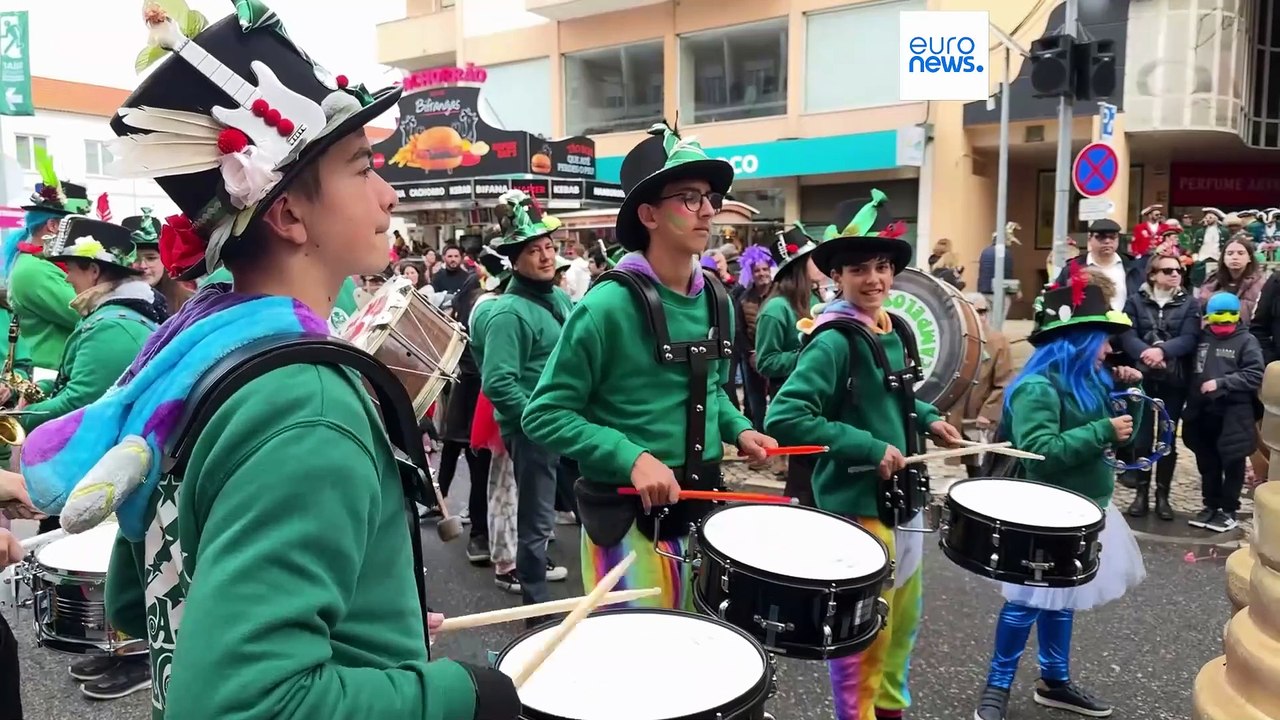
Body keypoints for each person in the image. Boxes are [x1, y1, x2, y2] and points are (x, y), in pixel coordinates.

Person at [20, 6, 518, 719]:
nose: (388, 194)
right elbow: (243, 704)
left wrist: (369, 621)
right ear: (287, 215)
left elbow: (140, 598)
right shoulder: (307, 404)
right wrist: (459, 695)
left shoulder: (198, 361)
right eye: (362, 168)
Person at [522, 122, 774, 612]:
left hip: (702, 511)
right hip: (625, 525)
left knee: (702, 653)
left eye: (709, 198)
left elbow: (711, 388)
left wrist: (740, 429)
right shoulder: (606, 307)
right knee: (639, 659)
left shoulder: (718, 299)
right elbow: (544, 414)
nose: (708, 210)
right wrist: (632, 457)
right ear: (648, 214)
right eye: (689, 198)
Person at [764, 191, 963, 720]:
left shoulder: (893, 328)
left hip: (903, 500)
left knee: (902, 626)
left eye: (881, 267)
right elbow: (785, 417)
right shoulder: (832, 340)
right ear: (836, 276)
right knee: (862, 638)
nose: (873, 279)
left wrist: (927, 418)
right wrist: (868, 447)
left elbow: (893, 398)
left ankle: (891, 712)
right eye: (858, 269)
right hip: (857, 505)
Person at [973, 275, 1145, 720]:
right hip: (1045, 513)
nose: (1109, 349)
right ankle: (996, 686)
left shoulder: (1093, 380)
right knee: (1026, 602)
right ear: (1078, 341)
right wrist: (1102, 429)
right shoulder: (1038, 387)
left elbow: (1124, 441)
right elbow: (1041, 454)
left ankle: (1055, 680)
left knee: (1062, 598)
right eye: (1102, 339)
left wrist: (1132, 399)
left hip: (1085, 509)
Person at [24, 215, 165, 698]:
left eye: (69, 266)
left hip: (118, 462)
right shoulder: (109, 316)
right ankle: (120, 647)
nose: (64, 275)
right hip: (119, 459)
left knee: (119, 557)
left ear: (95, 270)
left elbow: (81, 404)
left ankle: (136, 653)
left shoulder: (112, 327)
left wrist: (23, 415)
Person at [480, 190, 573, 613]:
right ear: (515, 260)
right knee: (535, 522)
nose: (546, 256)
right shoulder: (508, 313)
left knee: (587, 506)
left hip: (571, 422)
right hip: (533, 431)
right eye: (534, 250)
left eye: (549, 246)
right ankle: (536, 610)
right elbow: (498, 383)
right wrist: (537, 420)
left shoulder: (560, 298)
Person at [1120, 252, 1202, 519]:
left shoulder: (1189, 303)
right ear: (1153, 274)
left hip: (1173, 379)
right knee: (1142, 437)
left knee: (1167, 438)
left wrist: (1162, 351)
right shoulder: (1135, 301)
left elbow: (1190, 337)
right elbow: (1127, 333)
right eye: (1168, 270)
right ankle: (1141, 493)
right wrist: (1146, 353)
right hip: (1142, 378)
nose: (1175, 274)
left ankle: (1163, 496)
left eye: (1178, 270)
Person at [1184, 292, 1265, 533]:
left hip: (1234, 412)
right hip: (1204, 411)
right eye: (1219, 316)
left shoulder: (1247, 341)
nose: (1225, 321)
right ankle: (1210, 505)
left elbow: (1255, 374)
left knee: (1232, 461)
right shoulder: (1202, 338)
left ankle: (1229, 510)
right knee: (1207, 461)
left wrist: (1223, 383)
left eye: (1231, 316)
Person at [755, 224, 822, 502]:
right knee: (802, 481)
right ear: (799, 266)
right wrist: (809, 356)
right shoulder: (775, 309)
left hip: (819, 399)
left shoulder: (815, 299)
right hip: (794, 401)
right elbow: (765, 361)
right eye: (813, 259)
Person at [468, 245, 521, 591]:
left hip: (505, 402)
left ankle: (513, 555)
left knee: (510, 487)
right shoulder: (493, 309)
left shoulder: (495, 305)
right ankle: (506, 560)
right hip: (505, 405)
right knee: (505, 488)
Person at [4, 157, 87, 378]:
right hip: (51, 379)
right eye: (79, 224)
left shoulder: (42, 263)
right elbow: (85, 312)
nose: (86, 234)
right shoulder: (34, 270)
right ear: (53, 225)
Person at [947, 294, 1013, 478]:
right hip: (960, 418)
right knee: (971, 464)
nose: (978, 316)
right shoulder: (955, 339)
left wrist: (988, 413)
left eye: (982, 311)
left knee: (984, 467)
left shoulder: (998, 341)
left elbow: (1005, 382)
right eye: (973, 312)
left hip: (983, 420)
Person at [1054, 219, 1146, 311]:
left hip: (1126, 319)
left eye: (1112, 237)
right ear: (1090, 239)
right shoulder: (1073, 268)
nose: (1107, 241)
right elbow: (1056, 298)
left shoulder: (1133, 266)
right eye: (1101, 237)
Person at [126, 209, 195, 314]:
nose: (143, 266)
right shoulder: (107, 303)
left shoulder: (190, 304)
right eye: (134, 258)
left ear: (165, 261)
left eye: (151, 258)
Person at [1198, 234, 1265, 325]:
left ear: (1249, 258)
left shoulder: (1259, 282)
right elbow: (1201, 306)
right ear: (1223, 258)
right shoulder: (1212, 279)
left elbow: (1253, 310)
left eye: (1240, 253)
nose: (1235, 257)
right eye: (1230, 253)